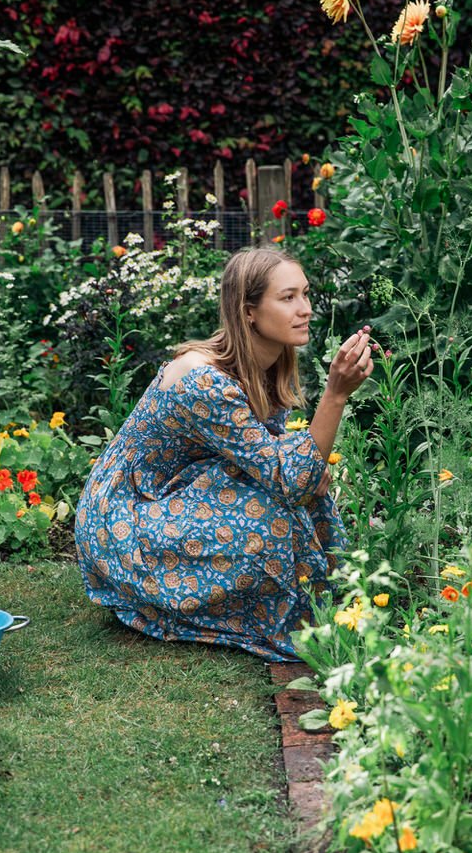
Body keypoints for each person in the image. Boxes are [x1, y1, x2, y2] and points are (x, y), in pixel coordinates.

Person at [75, 246, 373, 662]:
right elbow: (289, 479)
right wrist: (336, 394)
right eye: (287, 298)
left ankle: (325, 606)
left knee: (306, 484)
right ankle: (264, 614)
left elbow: (288, 469)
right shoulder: (203, 379)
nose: (304, 309)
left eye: (304, 294)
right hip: (127, 517)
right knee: (269, 515)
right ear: (248, 310)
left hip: (184, 488)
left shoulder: (267, 361)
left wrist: (307, 467)